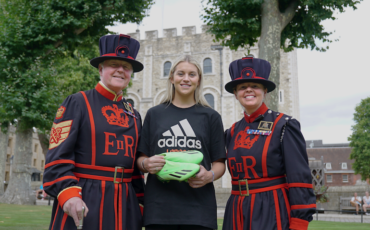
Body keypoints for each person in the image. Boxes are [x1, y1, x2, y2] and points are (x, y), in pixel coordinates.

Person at [43, 34, 145, 230]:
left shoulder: (134, 114)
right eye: (114, 64)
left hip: (126, 204)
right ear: (101, 69)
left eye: (126, 67)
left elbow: (135, 171)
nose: (120, 70)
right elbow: (57, 159)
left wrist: (140, 202)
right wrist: (69, 194)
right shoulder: (77, 102)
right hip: (85, 197)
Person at [222, 57, 316, 230]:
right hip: (235, 210)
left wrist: (299, 222)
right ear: (235, 94)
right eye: (242, 87)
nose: (248, 90)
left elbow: (299, 177)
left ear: (265, 91)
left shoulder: (284, 125)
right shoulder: (232, 132)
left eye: (255, 86)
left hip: (271, 209)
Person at [136, 55, 226, 230]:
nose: (186, 78)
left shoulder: (211, 116)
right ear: (172, 78)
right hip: (159, 210)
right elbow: (141, 159)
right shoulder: (154, 114)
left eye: (192, 74)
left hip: (199, 209)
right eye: (181, 74)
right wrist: (146, 164)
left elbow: (219, 163)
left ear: (198, 80)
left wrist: (209, 176)